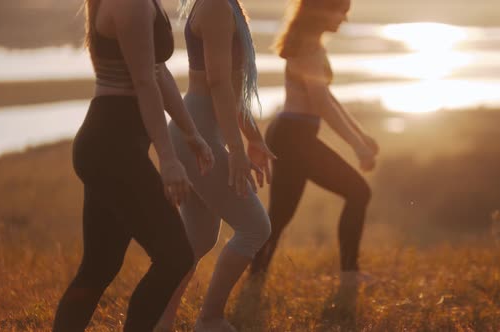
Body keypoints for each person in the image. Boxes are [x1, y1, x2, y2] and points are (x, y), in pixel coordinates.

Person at [52, 0, 215, 330]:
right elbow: (144, 82)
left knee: (100, 265)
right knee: (175, 257)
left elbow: (158, 71)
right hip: (110, 145)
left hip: (113, 146)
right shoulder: (131, 3)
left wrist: (191, 133)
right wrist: (168, 159)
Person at [155, 0, 275, 331]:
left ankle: (160, 321)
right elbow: (219, 83)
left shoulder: (224, 5)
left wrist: (253, 138)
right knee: (255, 228)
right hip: (197, 137)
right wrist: (236, 150)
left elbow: (231, 90)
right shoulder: (217, 6)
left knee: (199, 237)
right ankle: (210, 319)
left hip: (198, 133)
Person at [249, 0, 380, 287]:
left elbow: (327, 98)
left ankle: (255, 278)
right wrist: (357, 147)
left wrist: (361, 134)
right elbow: (321, 104)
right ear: (321, 9)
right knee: (359, 192)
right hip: (294, 137)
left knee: (280, 216)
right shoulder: (309, 48)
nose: (344, 20)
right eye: (341, 12)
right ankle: (349, 275)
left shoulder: (312, 44)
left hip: (293, 134)